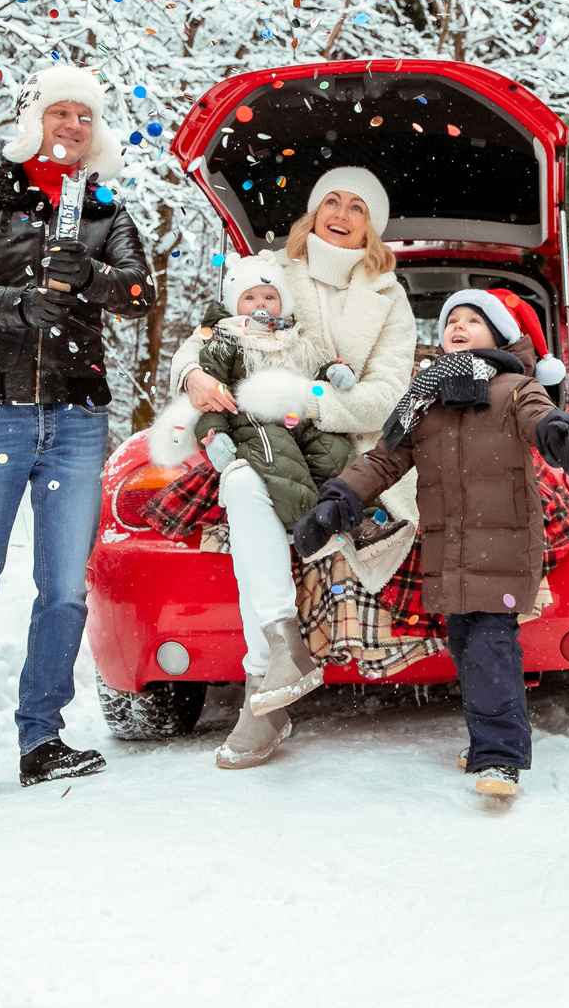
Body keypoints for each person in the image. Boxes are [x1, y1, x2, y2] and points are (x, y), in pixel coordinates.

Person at [0, 67, 156, 817]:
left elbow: (144, 293)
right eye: (61, 111)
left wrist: (91, 276)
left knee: (63, 589)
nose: (73, 124)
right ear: (34, 119)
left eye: (85, 114)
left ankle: (41, 738)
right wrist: (19, 305)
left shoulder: (107, 209)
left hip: (77, 419)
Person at [162, 169, 418, 768]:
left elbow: (386, 393)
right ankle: (280, 650)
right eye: (331, 198)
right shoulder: (271, 268)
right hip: (259, 436)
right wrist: (192, 376)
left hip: (347, 444)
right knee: (243, 480)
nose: (342, 211)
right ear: (313, 210)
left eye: (359, 206)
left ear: (371, 227)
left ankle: (266, 697)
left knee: (252, 486)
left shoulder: (390, 294)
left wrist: (306, 405)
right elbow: (205, 336)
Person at [294, 289, 569, 799]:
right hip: (448, 547)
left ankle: (501, 759)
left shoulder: (514, 388)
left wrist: (557, 431)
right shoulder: (423, 398)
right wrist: (338, 499)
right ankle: (485, 745)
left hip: (504, 543)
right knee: (466, 646)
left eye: (474, 320)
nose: (459, 326)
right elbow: (384, 460)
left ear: (497, 336)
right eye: (453, 320)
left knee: (492, 644)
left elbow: (540, 414)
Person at [146, 253, 360, 541]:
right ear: (234, 304)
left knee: (337, 454)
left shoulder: (297, 338)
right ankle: (309, 526)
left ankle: (360, 519)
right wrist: (214, 433)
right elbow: (212, 392)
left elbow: (313, 373)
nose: (260, 303)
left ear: (282, 303)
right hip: (253, 421)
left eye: (269, 296)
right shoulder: (227, 341)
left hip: (303, 419)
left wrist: (332, 371)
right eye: (250, 297)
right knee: (280, 464)